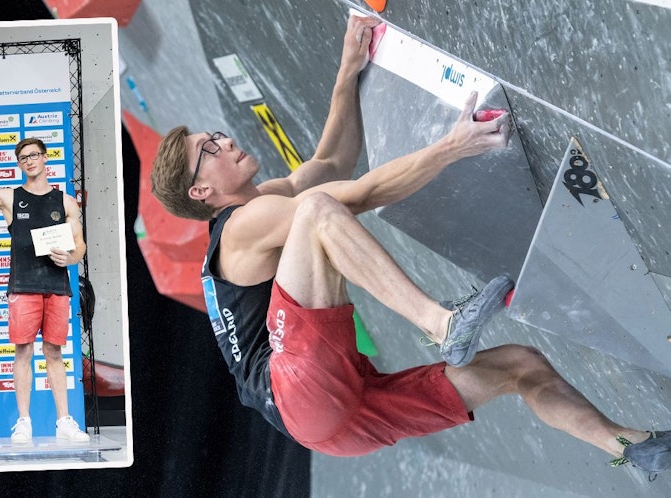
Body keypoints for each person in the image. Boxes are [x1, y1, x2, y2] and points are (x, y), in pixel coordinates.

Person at [150, 14, 670, 474]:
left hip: (335, 420)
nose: (222, 138)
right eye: (208, 148)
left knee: (521, 366)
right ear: (203, 192)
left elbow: (331, 164)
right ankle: (440, 322)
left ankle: (628, 443)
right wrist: (452, 147)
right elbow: (355, 195)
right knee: (317, 210)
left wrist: (347, 69)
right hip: (299, 388)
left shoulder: (261, 203)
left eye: (212, 134)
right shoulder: (243, 225)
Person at [0, 137, 90, 443]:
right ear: (20, 164)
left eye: (34, 155)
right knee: (23, 351)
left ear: (45, 158)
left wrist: (71, 257)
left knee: (54, 352)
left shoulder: (66, 201)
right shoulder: (10, 198)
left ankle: (64, 421)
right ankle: (24, 421)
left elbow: (79, 244)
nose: (29, 161)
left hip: (56, 286)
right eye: (23, 158)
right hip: (23, 286)